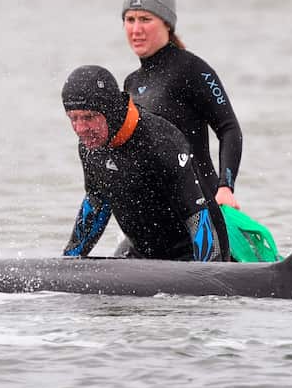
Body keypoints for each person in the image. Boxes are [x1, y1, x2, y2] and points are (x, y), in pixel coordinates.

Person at [61, 65, 227, 262]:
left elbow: (196, 217)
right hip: (141, 255)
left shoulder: (161, 141)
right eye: (73, 118)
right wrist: (67, 262)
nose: (80, 128)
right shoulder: (91, 147)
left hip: (191, 255)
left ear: (111, 110)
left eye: (88, 117)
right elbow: (97, 204)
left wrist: (210, 274)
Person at [120, 0, 243, 209]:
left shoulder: (192, 69)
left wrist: (225, 187)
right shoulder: (131, 82)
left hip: (200, 207)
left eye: (145, 19)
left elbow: (229, 128)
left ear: (167, 23)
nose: (136, 29)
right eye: (129, 19)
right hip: (158, 214)